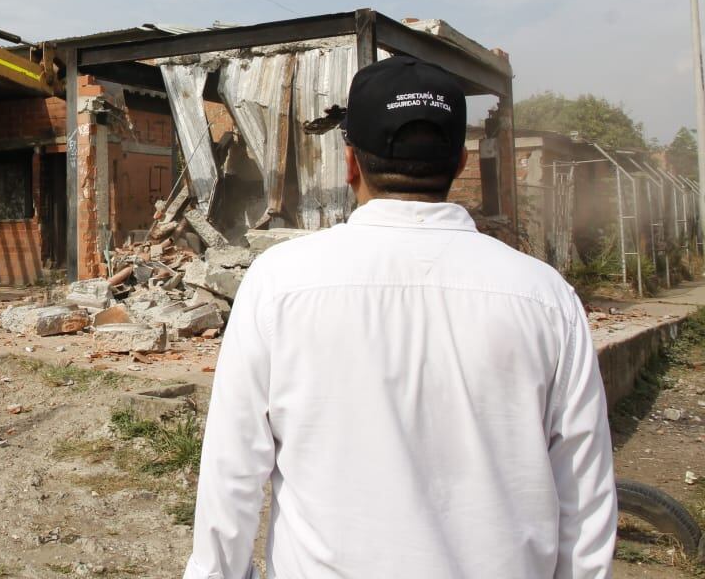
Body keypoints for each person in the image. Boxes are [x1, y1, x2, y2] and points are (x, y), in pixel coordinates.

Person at [185, 56, 616, 579]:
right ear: (460, 162)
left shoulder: (279, 284)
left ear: (350, 164)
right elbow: (585, 503)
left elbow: (231, 475)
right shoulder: (547, 300)